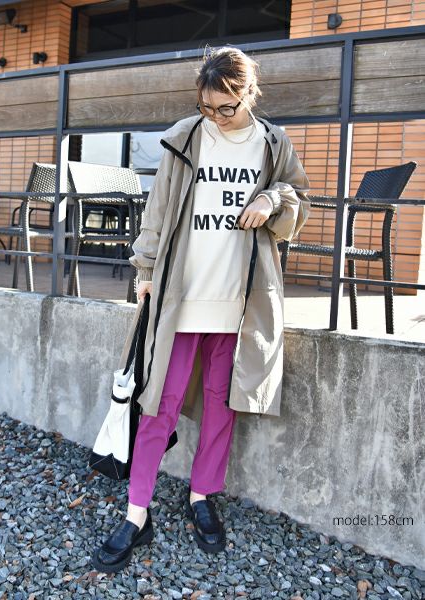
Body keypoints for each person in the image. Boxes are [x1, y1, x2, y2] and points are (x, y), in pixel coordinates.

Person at [92, 45, 310, 573]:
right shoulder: (185, 137)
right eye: (207, 106)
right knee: (156, 403)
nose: (215, 116)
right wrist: (145, 271)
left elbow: (298, 197)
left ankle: (201, 496)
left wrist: (272, 200)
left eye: (225, 107)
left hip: (239, 301)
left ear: (248, 94)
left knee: (221, 403)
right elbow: (158, 210)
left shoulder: (272, 143)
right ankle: (136, 512)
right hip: (182, 297)